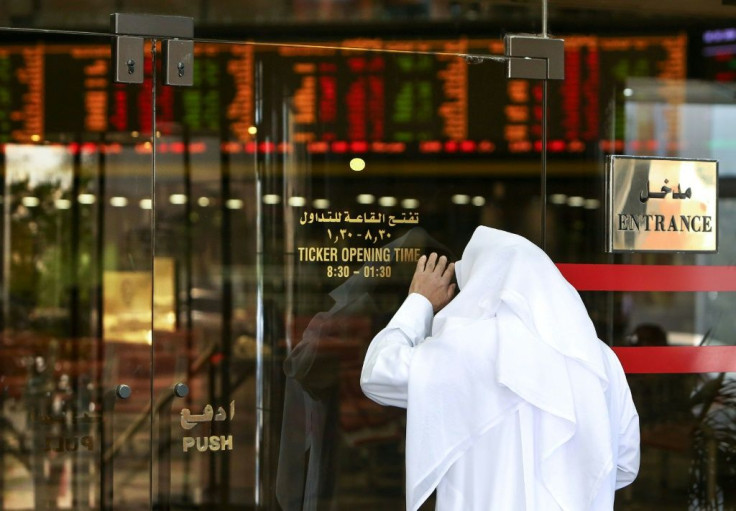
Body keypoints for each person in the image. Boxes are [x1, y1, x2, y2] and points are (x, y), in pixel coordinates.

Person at [360, 227, 640, 510]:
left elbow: (378, 371)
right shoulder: (599, 359)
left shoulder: (466, 350)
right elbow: (625, 462)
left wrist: (419, 301)